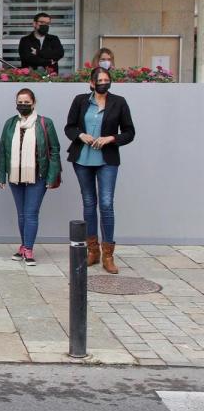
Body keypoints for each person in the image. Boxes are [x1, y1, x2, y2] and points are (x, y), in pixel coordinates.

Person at [65, 67, 135, 274]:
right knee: (88, 203)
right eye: (100, 80)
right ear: (92, 83)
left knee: (106, 204)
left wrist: (111, 138)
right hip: (82, 159)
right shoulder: (80, 100)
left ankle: (108, 255)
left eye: (107, 79)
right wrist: (80, 135)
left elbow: (130, 132)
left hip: (107, 160)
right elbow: (69, 127)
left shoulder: (119, 102)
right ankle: (92, 251)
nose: (104, 83)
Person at [0, 88, 61, 266]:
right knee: (21, 214)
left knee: (31, 213)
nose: (23, 105)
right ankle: (24, 246)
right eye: (20, 102)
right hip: (15, 175)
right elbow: (3, 150)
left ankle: (29, 249)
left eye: (26, 102)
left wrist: (51, 176)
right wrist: (1, 176)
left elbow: (54, 150)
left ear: (34, 103)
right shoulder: (10, 124)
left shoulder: (45, 123)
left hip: (38, 175)